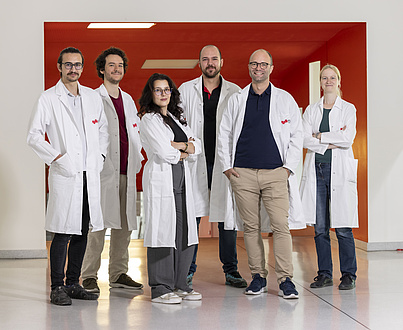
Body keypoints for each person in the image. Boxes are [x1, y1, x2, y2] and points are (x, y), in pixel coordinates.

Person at [217, 49, 305, 299]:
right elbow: (224, 133)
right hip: (242, 173)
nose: (259, 68)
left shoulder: (284, 99)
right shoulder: (237, 99)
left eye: (263, 64)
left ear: (271, 68)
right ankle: (258, 277)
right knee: (251, 227)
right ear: (249, 67)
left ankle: (286, 279)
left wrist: (288, 168)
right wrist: (227, 167)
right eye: (254, 63)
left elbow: (297, 135)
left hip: (276, 172)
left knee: (280, 226)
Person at [27, 47, 108, 306]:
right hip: (66, 173)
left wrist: (101, 157)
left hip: (89, 174)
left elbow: (103, 130)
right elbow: (34, 135)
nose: (73, 69)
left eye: (77, 65)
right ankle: (57, 287)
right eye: (68, 64)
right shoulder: (49, 98)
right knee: (62, 231)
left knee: (83, 229)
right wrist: (57, 159)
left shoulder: (92, 97)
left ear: (82, 68)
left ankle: (74, 283)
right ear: (60, 67)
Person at [178, 45, 247, 288]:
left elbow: (241, 130)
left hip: (224, 162)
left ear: (221, 62)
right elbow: (176, 124)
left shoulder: (235, 92)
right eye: (205, 59)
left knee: (226, 219)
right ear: (199, 63)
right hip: (196, 162)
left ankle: (231, 271)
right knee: (192, 217)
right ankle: (187, 270)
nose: (210, 63)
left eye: (214, 59)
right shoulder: (186, 90)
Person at [81, 47, 143, 293]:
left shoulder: (128, 99)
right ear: (101, 69)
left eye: (120, 65)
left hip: (127, 169)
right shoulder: (93, 98)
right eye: (112, 65)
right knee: (97, 225)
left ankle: (118, 273)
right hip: (104, 171)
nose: (117, 69)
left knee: (124, 225)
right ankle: (88, 275)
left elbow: (134, 134)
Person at [139, 73, 202, 304]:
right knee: (162, 233)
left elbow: (199, 146)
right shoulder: (148, 120)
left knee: (184, 231)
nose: (163, 94)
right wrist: (185, 150)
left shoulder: (177, 119)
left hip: (182, 183)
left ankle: (180, 284)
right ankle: (160, 288)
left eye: (167, 90)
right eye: (158, 90)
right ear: (151, 93)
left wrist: (182, 146)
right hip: (162, 181)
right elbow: (164, 152)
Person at [300, 64, 358, 290]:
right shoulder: (311, 111)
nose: (328, 81)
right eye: (325, 78)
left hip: (339, 173)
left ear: (339, 80)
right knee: (320, 228)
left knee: (343, 226)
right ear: (320, 82)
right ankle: (324, 273)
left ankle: (348, 275)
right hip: (317, 171)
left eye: (332, 77)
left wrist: (319, 136)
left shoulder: (348, 109)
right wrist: (330, 141)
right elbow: (305, 139)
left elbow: (347, 138)